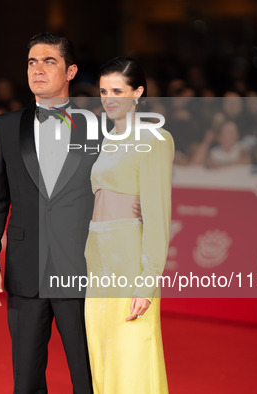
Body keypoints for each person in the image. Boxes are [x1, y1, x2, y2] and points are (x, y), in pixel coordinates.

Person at [0, 32, 97, 393]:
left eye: (49, 62)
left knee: (87, 376)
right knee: (26, 379)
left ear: (71, 70)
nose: (38, 70)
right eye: (32, 62)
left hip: (80, 269)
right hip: (25, 269)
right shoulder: (6, 126)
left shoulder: (98, 127)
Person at [84, 57, 173, 393]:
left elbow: (157, 217)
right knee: (104, 356)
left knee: (133, 357)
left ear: (137, 92)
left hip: (130, 263)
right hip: (98, 260)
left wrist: (147, 283)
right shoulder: (107, 140)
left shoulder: (155, 139)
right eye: (104, 91)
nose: (109, 99)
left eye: (118, 91)